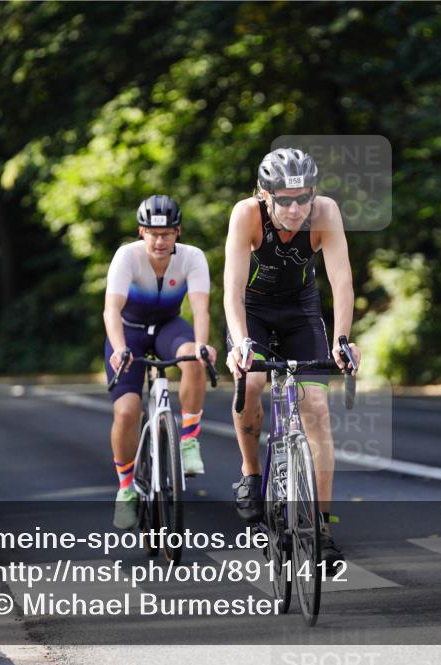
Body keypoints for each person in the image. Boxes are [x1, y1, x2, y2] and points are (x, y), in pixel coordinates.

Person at [224, 148, 361, 568]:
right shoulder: (246, 215)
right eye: (284, 199)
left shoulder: (326, 213)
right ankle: (251, 473)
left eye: (303, 197)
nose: (296, 208)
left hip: (301, 310)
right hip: (256, 309)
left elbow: (341, 279)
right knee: (251, 385)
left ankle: (321, 527)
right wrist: (241, 344)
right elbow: (231, 289)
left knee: (316, 409)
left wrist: (341, 339)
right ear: (265, 196)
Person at [103, 195, 216, 529]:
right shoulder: (127, 256)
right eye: (153, 232)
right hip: (129, 331)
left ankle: (189, 440)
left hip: (169, 327)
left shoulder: (193, 258)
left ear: (177, 232)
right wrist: (120, 348)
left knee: (193, 358)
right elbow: (111, 309)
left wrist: (202, 345)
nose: (159, 240)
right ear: (141, 231)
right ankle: (126, 488)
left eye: (166, 233)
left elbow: (200, 309)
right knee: (126, 411)